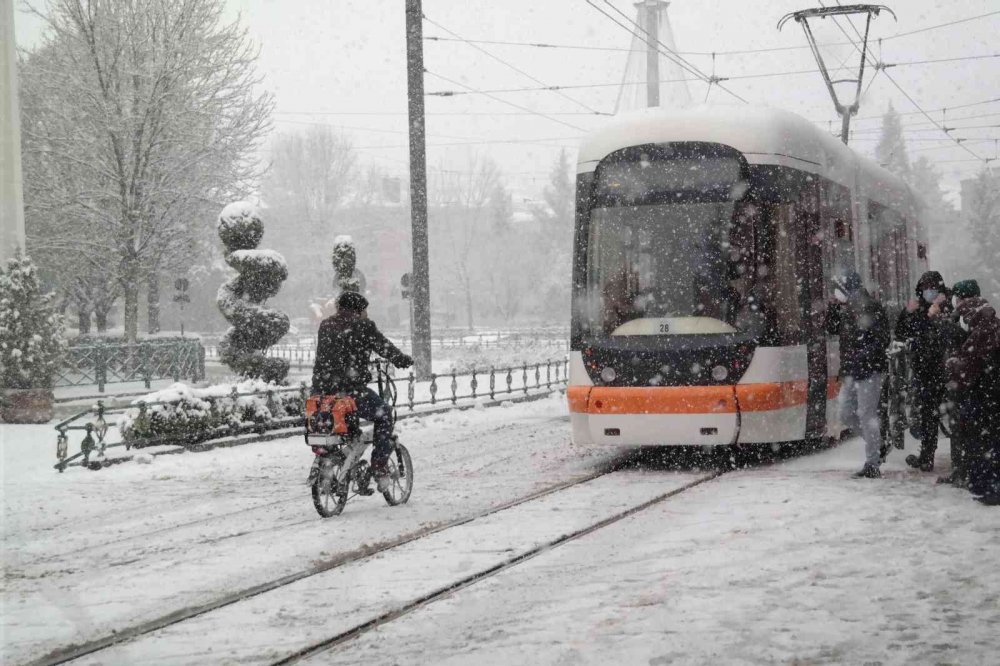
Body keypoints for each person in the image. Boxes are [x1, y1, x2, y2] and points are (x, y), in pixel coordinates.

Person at [311, 291, 413, 490]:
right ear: (358, 310)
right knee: (384, 415)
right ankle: (379, 466)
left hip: (322, 393)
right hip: (350, 391)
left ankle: (347, 462)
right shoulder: (364, 326)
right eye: (365, 309)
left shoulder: (326, 325)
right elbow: (384, 347)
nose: (367, 313)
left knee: (348, 426)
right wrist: (402, 360)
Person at [827, 271, 891, 478]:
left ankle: (873, 463)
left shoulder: (869, 306)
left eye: (837, 289)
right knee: (845, 413)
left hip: (869, 370)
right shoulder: (847, 309)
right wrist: (833, 308)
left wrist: (862, 356)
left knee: (866, 414)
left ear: (846, 288)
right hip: (852, 371)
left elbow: (881, 339)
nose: (835, 294)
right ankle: (880, 445)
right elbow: (831, 328)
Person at [895, 271, 951, 472]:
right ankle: (927, 455)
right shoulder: (917, 308)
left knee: (946, 414)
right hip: (923, 369)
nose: (929, 292)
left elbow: (948, 334)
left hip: (944, 369)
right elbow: (901, 332)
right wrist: (907, 313)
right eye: (926, 288)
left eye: (933, 287)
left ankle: (950, 458)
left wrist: (941, 311)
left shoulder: (947, 305)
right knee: (927, 414)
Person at [946, 296, 1000, 505]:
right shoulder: (992, 326)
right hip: (991, 394)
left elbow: (968, 368)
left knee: (982, 443)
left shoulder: (981, 333)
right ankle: (986, 485)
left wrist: (952, 364)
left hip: (985, 395)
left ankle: (987, 488)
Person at [937, 279, 981, 486]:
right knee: (961, 427)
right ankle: (962, 470)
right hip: (965, 381)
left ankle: (964, 472)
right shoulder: (971, 316)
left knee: (963, 428)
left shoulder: (969, 318)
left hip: (966, 382)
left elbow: (963, 343)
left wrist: (942, 322)